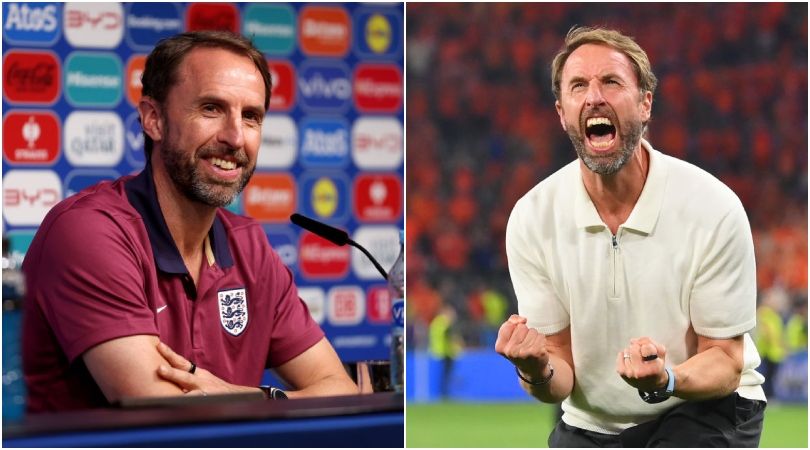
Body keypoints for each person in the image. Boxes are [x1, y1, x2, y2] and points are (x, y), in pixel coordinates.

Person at [21, 31, 357, 413]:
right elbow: (160, 413)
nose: (235, 137)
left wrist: (255, 395)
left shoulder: (249, 245)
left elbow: (341, 390)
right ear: (154, 120)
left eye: (251, 117)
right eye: (211, 108)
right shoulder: (89, 231)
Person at [495, 26, 766, 447]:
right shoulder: (532, 217)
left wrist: (666, 379)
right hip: (592, 423)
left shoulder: (713, 206)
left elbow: (726, 362)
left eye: (611, 82)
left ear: (645, 105)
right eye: (578, 85)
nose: (594, 97)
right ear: (562, 113)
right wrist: (534, 368)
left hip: (707, 409)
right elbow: (558, 375)